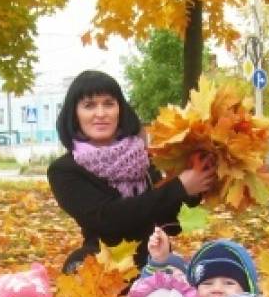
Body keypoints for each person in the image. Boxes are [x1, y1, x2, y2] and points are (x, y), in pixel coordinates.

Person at [47, 70, 214, 271]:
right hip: (106, 269)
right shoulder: (64, 170)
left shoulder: (143, 157)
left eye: (109, 103)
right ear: (75, 114)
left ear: (120, 110)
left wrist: (194, 186)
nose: (100, 113)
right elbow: (109, 218)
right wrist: (180, 187)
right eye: (89, 105)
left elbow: (168, 216)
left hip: (155, 261)